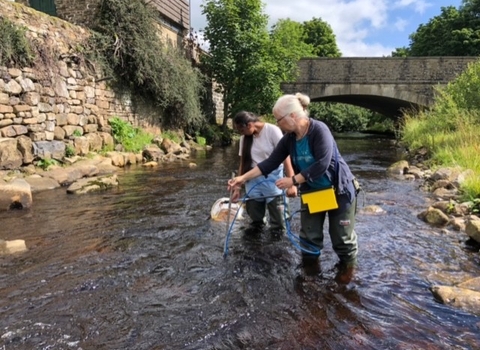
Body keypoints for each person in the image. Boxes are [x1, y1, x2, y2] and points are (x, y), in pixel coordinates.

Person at [228, 94, 358, 269]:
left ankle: (347, 276)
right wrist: (241, 178)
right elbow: (270, 162)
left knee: (342, 241)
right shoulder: (289, 139)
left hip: (338, 190)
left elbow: (323, 164)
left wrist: (293, 181)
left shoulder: (319, 130)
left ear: (292, 116)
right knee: (310, 239)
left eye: (278, 119)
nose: (277, 123)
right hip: (316, 192)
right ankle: (310, 275)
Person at [231, 111, 297, 235]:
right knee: (256, 222)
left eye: (241, 130)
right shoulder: (244, 139)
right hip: (252, 181)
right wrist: (237, 187)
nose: (241, 134)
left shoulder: (273, 131)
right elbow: (242, 162)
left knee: (279, 223)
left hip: (273, 180)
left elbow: (285, 157)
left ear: (249, 125)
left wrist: (292, 182)